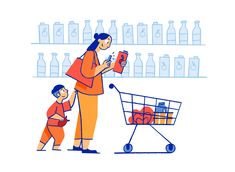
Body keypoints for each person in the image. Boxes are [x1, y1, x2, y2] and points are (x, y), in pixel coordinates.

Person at [72, 33, 118, 153]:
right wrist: (103, 66)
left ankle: (77, 144)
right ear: (99, 40)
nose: (109, 45)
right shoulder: (90, 54)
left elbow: (97, 72)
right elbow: (87, 73)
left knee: (82, 117)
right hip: (88, 90)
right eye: (107, 41)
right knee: (90, 117)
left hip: (86, 89)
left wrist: (111, 66)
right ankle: (85, 147)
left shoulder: (93, 54)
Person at [37, 85, 77, 151]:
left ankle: (39, 149)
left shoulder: (62, 105)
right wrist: (60, 118)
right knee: (60, 136)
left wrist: (74, 93)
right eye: (63, 90)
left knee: (45, 137)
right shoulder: (55, 105)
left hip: (50, 125)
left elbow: (70, 103)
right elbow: (49, 114)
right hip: (54, 125)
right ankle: (55, 149)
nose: (66, 90)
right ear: (58, 94)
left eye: (65, 89)